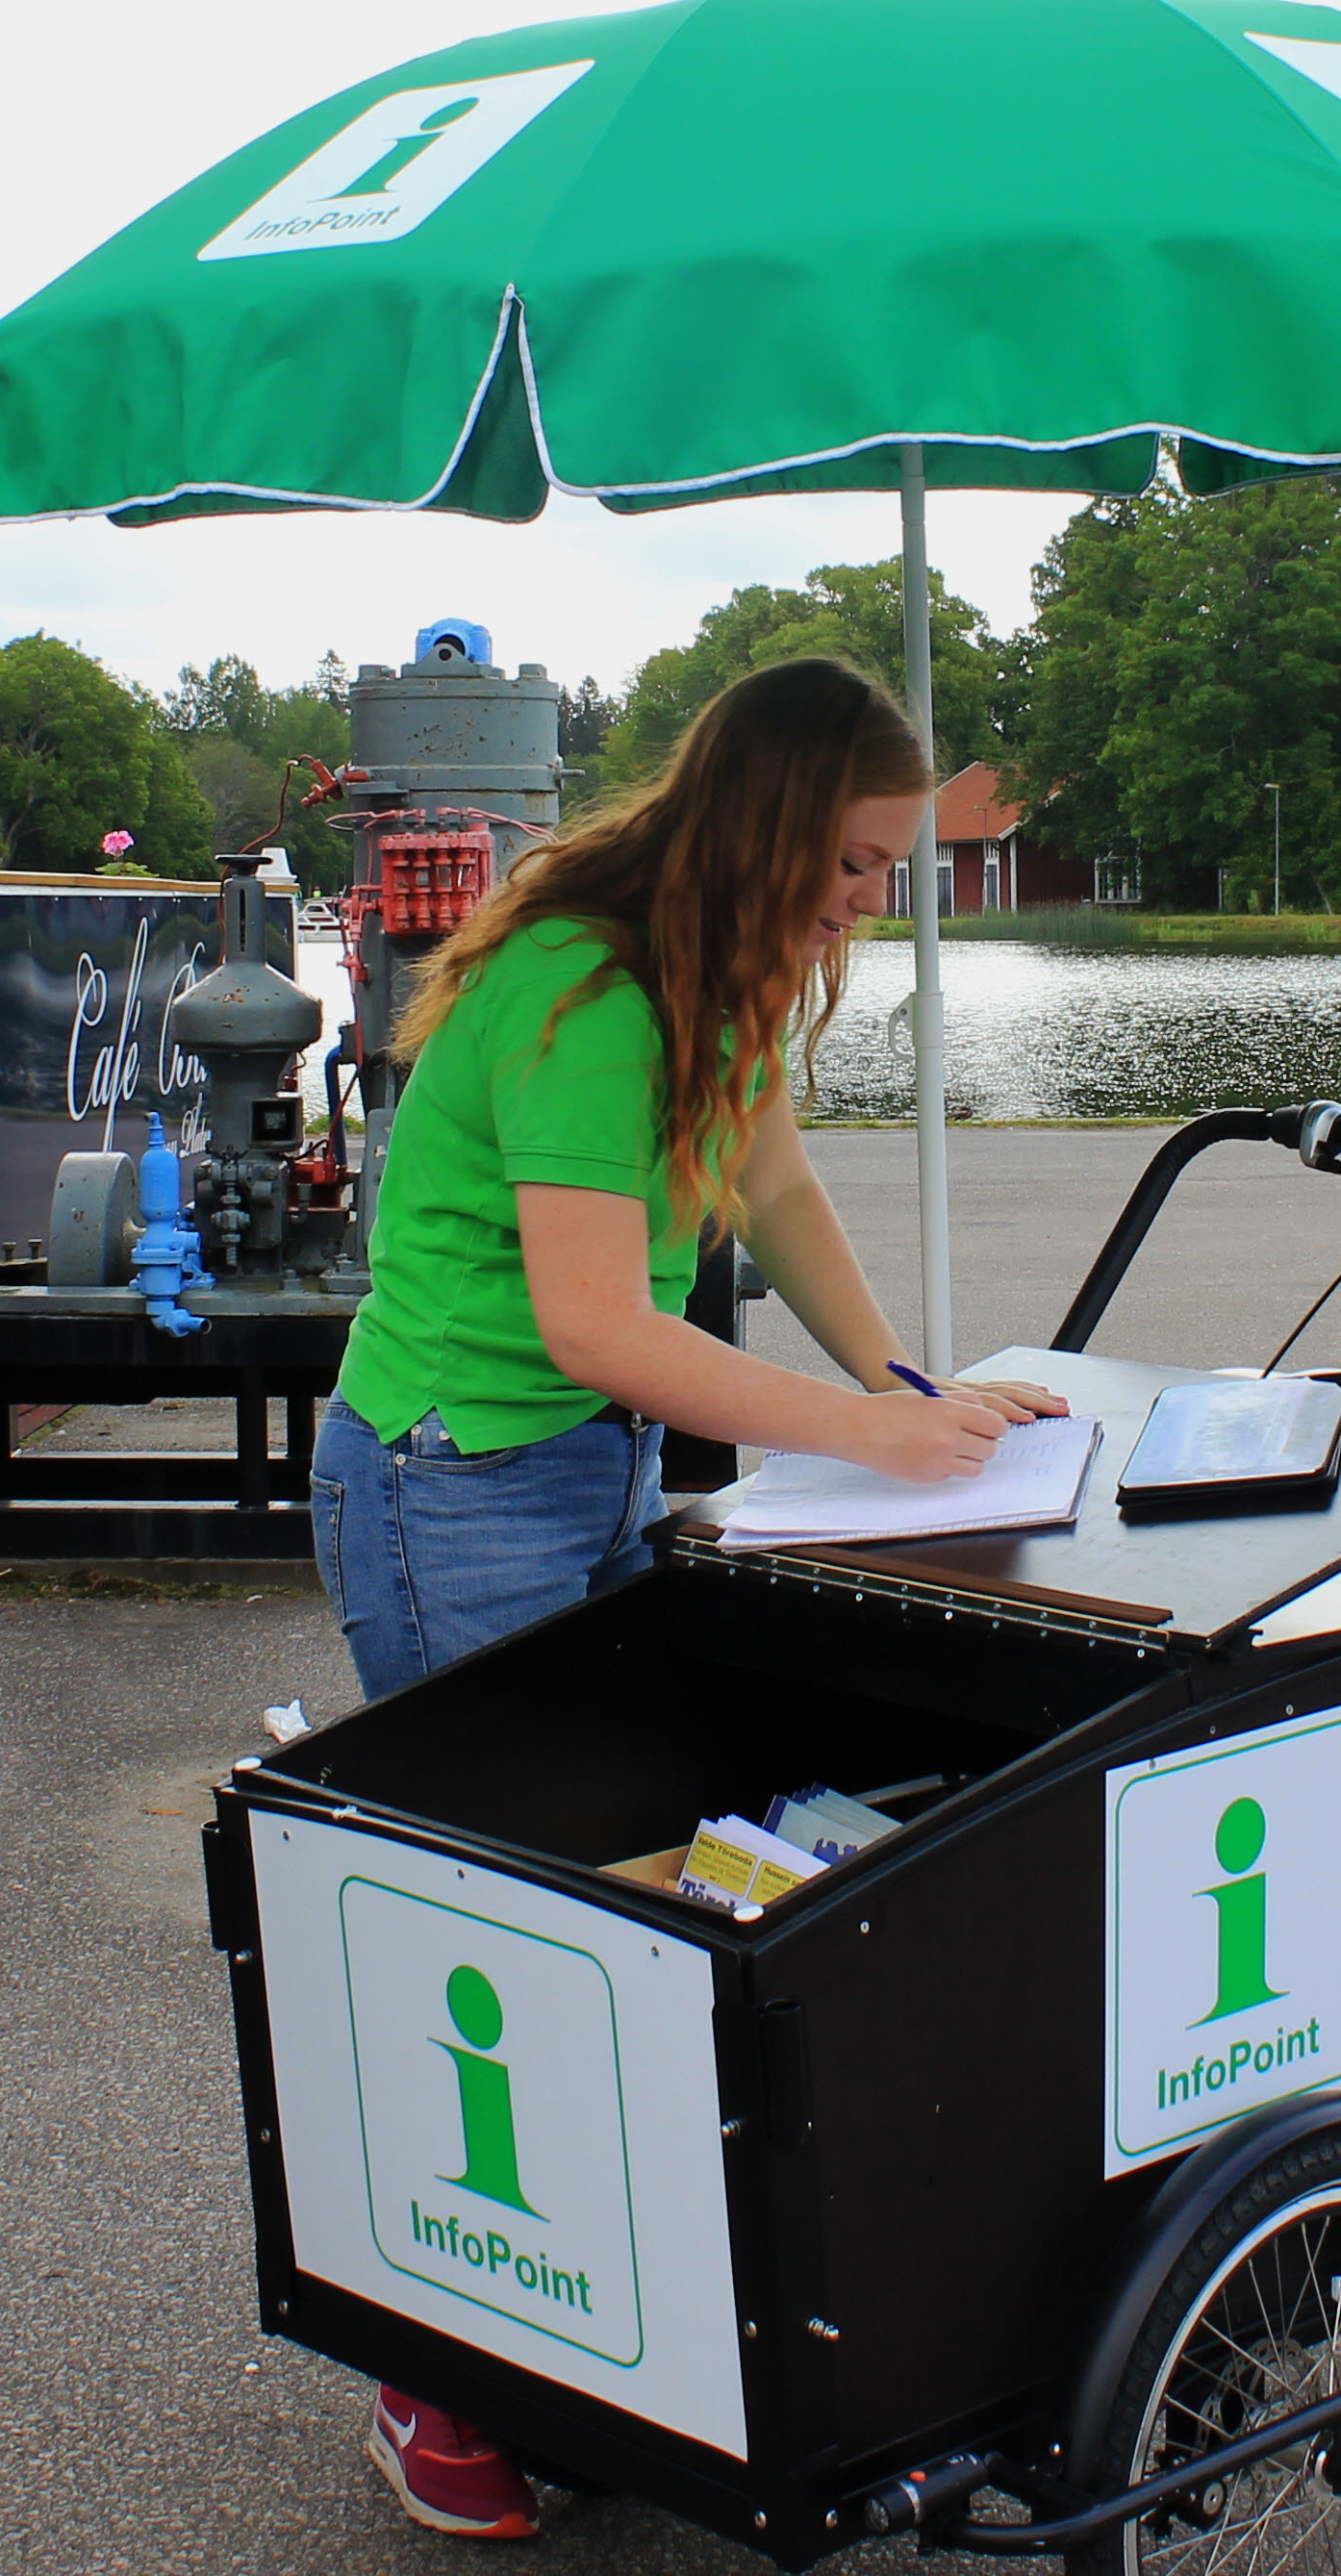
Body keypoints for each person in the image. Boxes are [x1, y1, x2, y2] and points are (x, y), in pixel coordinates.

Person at [311, 653, 1066, 2539]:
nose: (868, 904)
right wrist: (864, 1438)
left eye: (888, 871)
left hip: (583, 1465)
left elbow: (775, 1188)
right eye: (856, 865)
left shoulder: (707, 972)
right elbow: (596, 1321)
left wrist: (908, 1383)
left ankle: (591, 2327)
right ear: (769, 830)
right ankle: (430, 2374)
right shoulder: (588, 991)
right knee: (500, 1917)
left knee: (614, 1895)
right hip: (452, 1479)